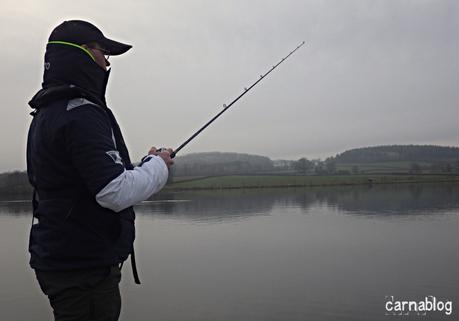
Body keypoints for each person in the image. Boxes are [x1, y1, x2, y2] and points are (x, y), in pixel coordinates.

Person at [26, 20, 174, 321]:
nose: (107, 63)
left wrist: (145, 165)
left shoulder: (49, 111)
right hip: (83, 269)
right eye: (103, 52)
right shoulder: (81, 113)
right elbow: (114, 192)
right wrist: (159, 166)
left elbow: (90, 177)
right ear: (82, 53)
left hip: (65, 261)